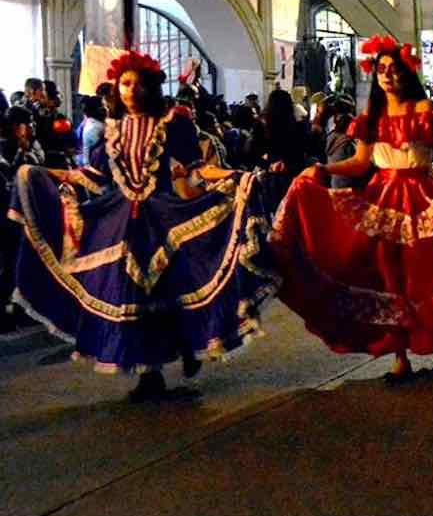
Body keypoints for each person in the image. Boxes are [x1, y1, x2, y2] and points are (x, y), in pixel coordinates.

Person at [7, 51, 279, 401]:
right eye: (125, 83)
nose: (131, 90)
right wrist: (44, 173)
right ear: (116, 87)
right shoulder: (112, 131)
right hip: (120, 222)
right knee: (133, 297)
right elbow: (95, 177)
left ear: (151, 87)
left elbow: (196, 169)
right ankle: (150, 373)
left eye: (138, 84)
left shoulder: (172, 123)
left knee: (173, 288)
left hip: (162, 219)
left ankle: (184, 347)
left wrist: (237, 177)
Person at [270, 36, 433, 383]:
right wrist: (323, 169)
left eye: (394, 69)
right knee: (387, 276)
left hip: (422, 199)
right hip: (384, 200)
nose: (388, 75)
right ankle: (400, 355)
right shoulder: (370, 117)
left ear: (406, 73)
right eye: (382, 70)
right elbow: (360, 163)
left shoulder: (424, 110)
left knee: (426, 271)